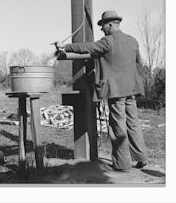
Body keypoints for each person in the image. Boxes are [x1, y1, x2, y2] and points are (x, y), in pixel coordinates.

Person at [56, 11, 148, 172]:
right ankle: (141, 158)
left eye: (103, 26)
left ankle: (122, 164)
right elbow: (138, 62)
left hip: (115, 91)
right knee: (133, 123)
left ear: (111, 24)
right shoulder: (133, 41)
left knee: (118, 126)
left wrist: (66, 46)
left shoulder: (108, 41)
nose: (102, 29)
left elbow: (87, 47)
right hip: (131, 90)